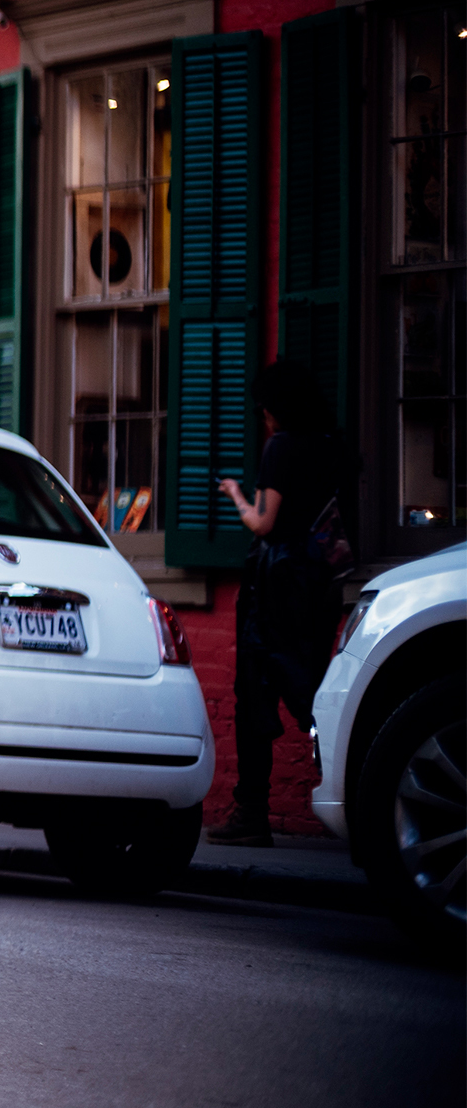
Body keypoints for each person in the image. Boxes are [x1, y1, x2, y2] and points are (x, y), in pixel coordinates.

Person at [212, 359, 347, 848]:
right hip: (319, 586)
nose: (263, 416)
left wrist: (236, 496)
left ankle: (252, 811)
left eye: (265, 408)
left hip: (275, 590)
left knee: (256, 697)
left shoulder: (281, 447)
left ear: (275, 408)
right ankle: (354, 790)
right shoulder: (333, 446)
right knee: (313, 689)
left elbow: (263, 524)